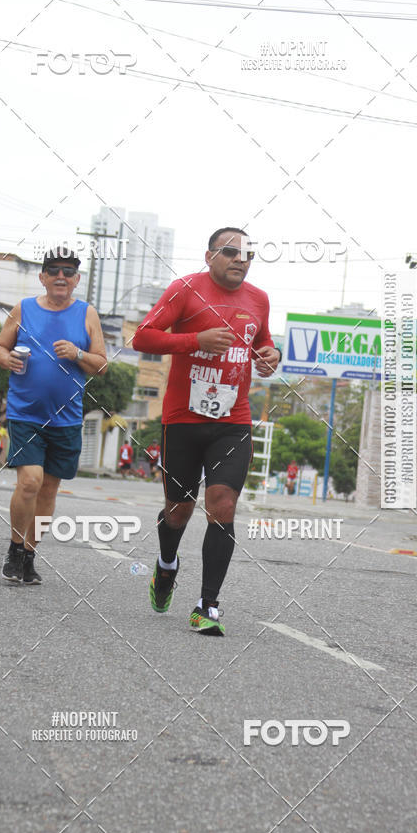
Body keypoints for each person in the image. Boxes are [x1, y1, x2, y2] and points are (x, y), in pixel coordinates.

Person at [133, 227, 280, 635]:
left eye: (248, 253)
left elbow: (263, 344)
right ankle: (165, 568)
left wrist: (272, 355)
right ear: (209, 255)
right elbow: (143, 336)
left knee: (223, 506)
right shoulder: (185, 289)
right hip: (183, 419)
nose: (240, 259)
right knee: (179, 511)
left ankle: (206, 606)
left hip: (232, 423)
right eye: (230, 252)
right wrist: (194, 339)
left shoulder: (259, 299)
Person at [0, 246, 107, 585]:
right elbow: (0, 347)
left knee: (48, 491)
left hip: (67, 418)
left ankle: (30, 553)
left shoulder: (87, 313)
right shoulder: (23, 309)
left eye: (68, 272)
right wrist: (6, 359)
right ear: (43, 277)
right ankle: (15, 548)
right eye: (54, 270)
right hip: (25, 413)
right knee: (30, 482)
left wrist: (78, 353)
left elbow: (101, 364)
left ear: (77, 280)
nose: (61, 276)